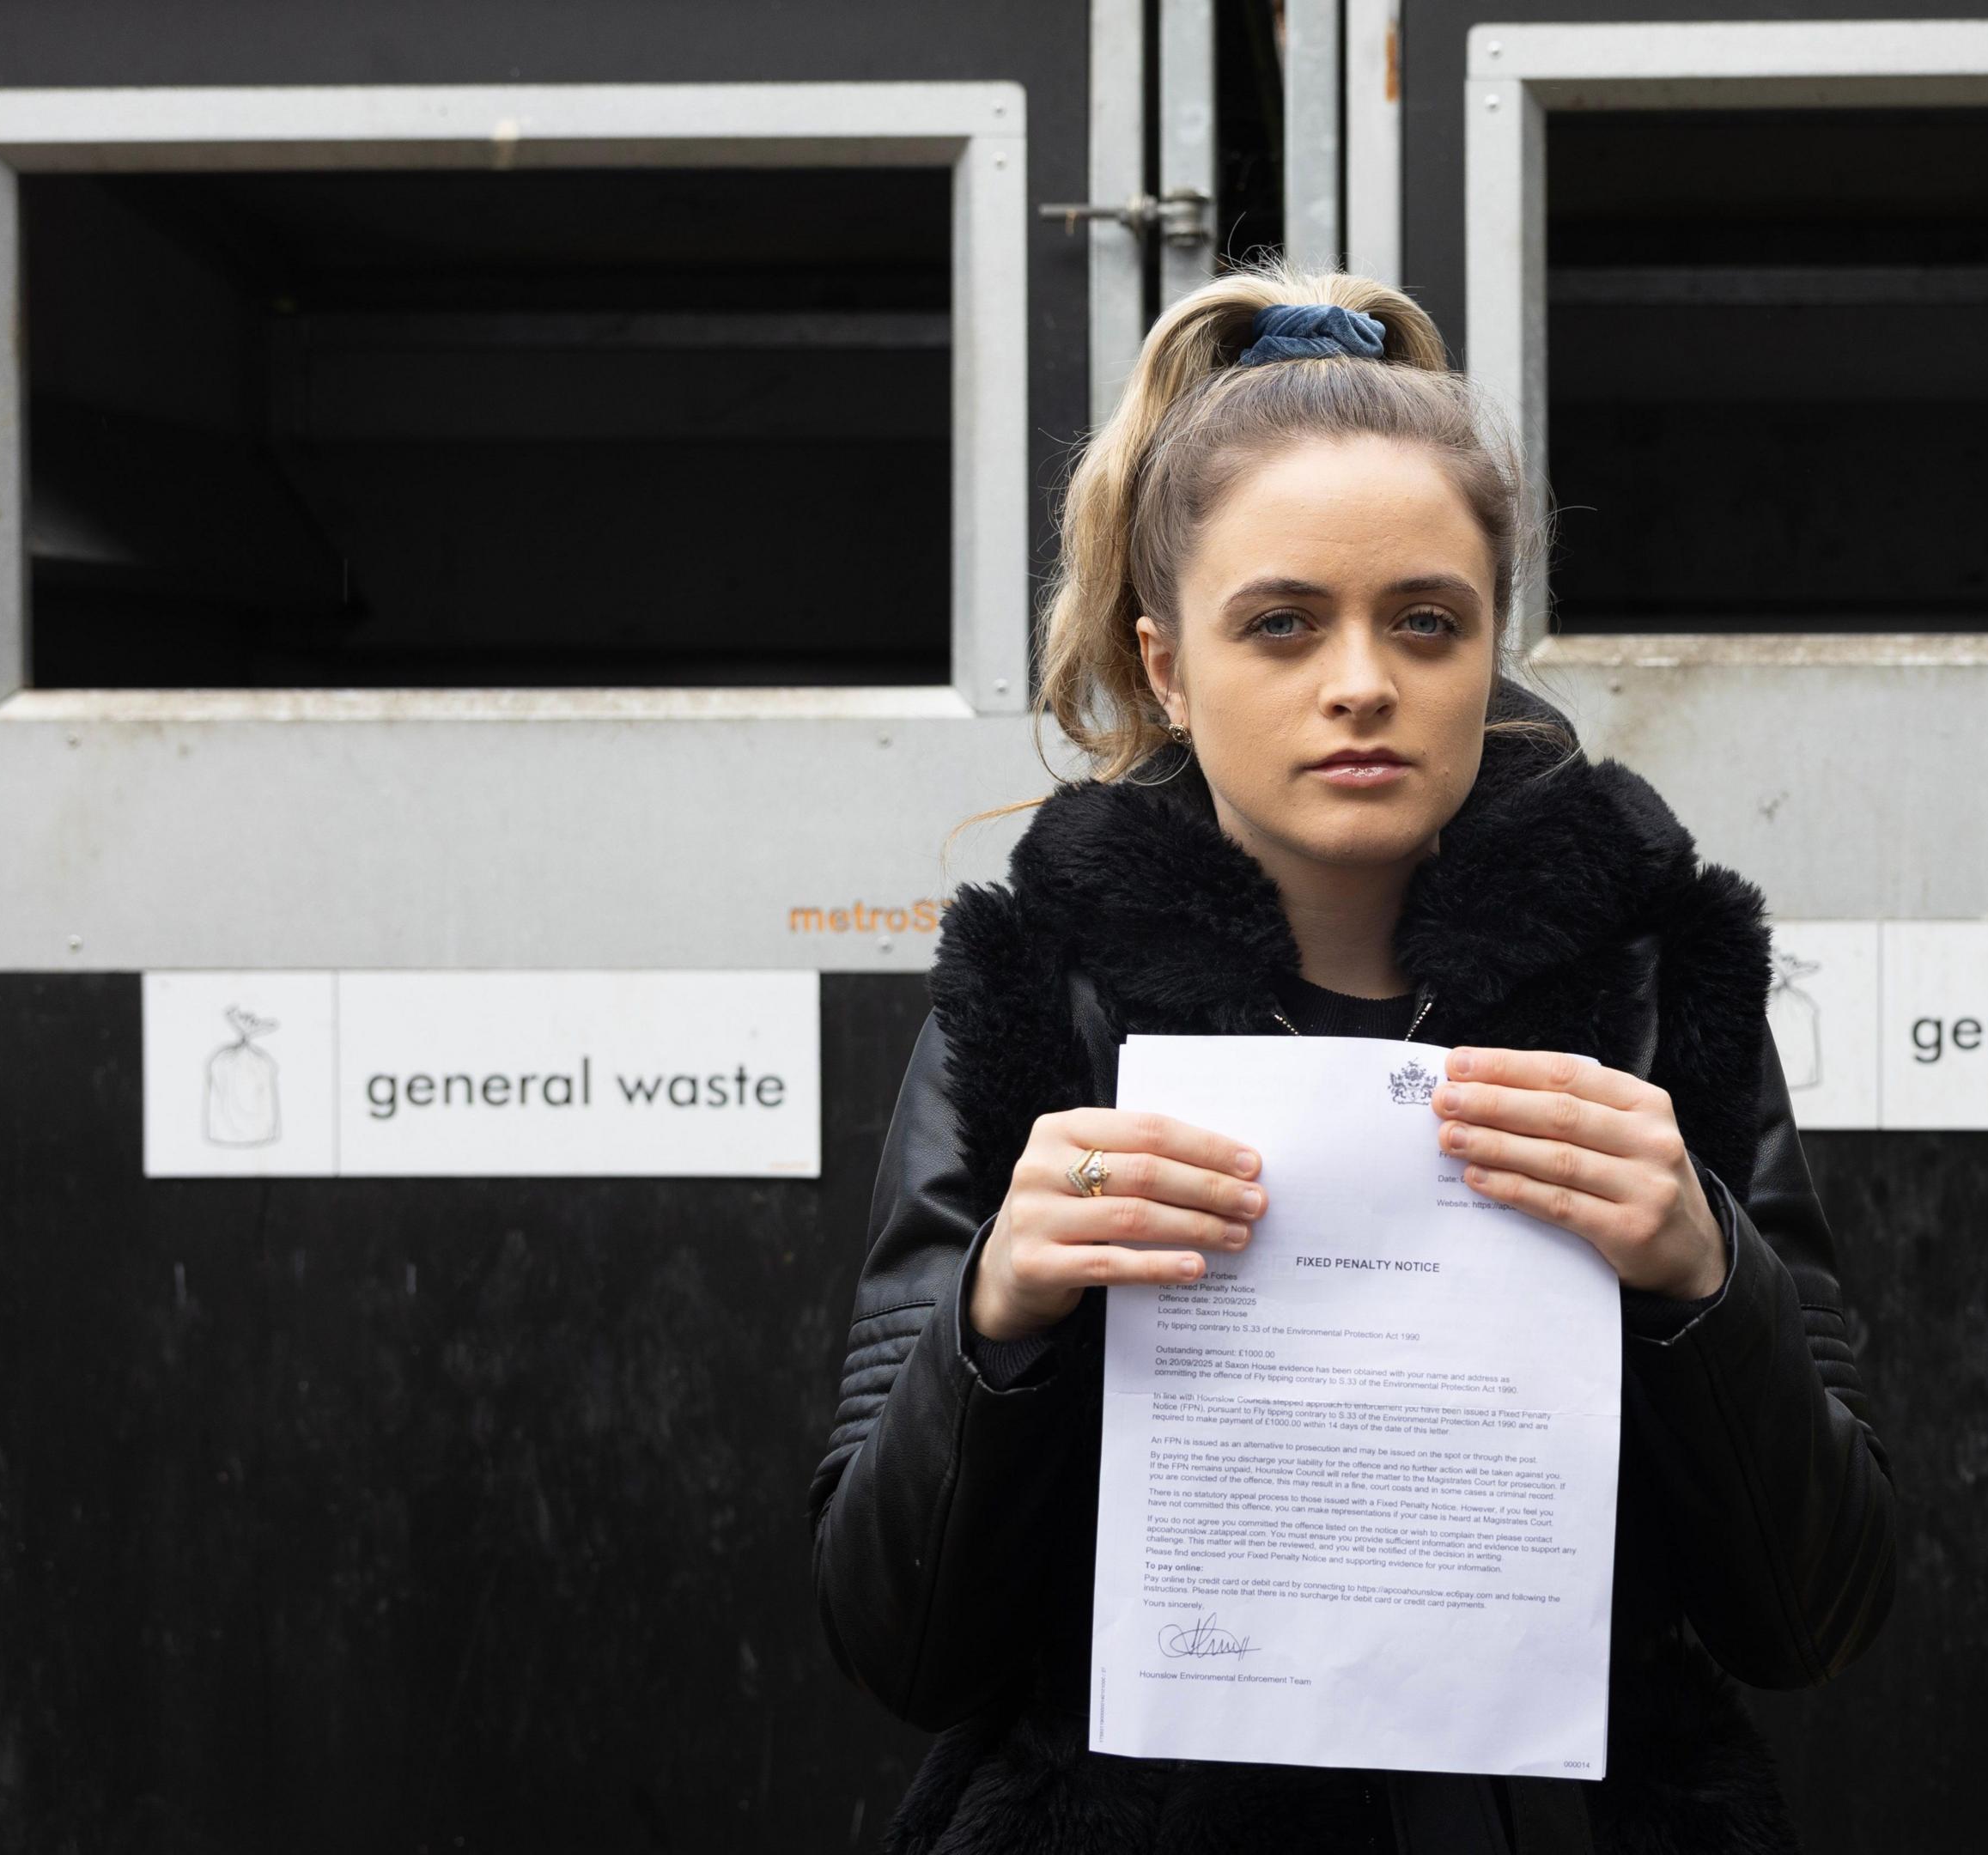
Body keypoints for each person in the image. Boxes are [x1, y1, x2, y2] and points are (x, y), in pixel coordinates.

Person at [806, 266, 1895, 1854]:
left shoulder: (1657, 995)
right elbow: (894, 1644)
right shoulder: (1043, 1002)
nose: (1364, 680)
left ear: (1491, 646)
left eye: (1426, 621)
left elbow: (1817, 1620)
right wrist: (999, 1321)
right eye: (1282, 623)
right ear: (1167, 665)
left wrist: (1700, 1276)